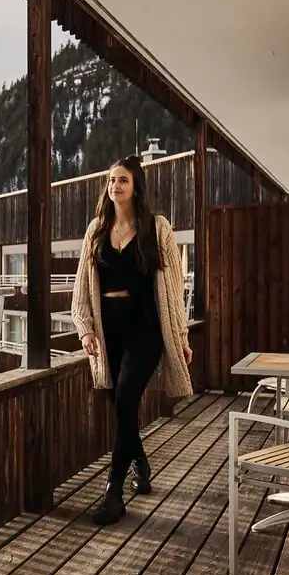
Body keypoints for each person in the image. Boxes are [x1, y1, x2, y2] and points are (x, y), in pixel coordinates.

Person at [70, 157, 193, 525]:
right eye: (111, 180)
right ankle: (140, 461)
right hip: (108, 332)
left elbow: (173, 289)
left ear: (136, 186)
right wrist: (85, 328)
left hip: (146, 329)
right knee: (121, 408)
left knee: (124, 400)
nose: (115, 186)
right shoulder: (96, 229)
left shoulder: (157, 228)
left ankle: (114, 492)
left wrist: (181, 335)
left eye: (122, 180)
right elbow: (81, 285)